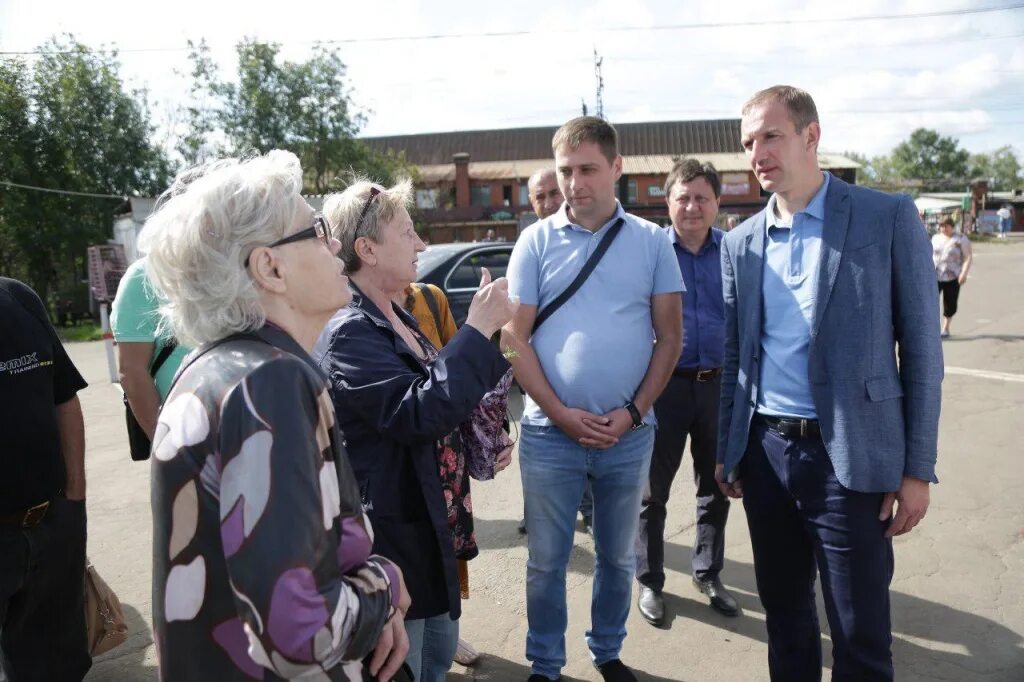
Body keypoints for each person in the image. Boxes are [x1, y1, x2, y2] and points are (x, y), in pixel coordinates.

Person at [143, 150, 410, 681]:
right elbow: (304, 633)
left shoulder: (207, 371)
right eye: (315, 229)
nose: (335, 242)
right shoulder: (272, 382)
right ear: (270, 267)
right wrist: (385, 585)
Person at [717, 85, 943, 681]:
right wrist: (728, 449)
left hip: (851, 459)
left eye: (771, 136)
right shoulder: (740, 242)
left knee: (860, 634)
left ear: (810, 135)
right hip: (766, 457)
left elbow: (922, 352)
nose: (757, 154)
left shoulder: (884, 217)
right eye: (748, 143)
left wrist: (917, 470)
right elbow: (737, 356)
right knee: (787, 624)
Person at [503, 116, 683, 682]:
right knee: (546, 563)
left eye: (587, 169)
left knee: (616, 559)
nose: (575, 182)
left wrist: (632, 413)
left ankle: (607, 652)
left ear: (616, 169)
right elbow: (513, 339)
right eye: (565, 171)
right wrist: (559, 412)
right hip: (548, 434)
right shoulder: (533, 241)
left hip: (628, 438)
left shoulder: (653, 242)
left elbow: (670, 337)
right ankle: (546, 664)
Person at [316, 179, 517, 682]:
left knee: (437, 652)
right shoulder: (347, 331)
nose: (422, 245)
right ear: (366, 249)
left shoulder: (396, 312)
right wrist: (476, 330)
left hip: (432, 526)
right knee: (409, 666)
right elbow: (415, 413)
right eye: (407, 233)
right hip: (396, 536)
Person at [635, 158, 737, 628]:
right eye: (683, 197)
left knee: (715, 486)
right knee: (652, 492)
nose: (692, 207)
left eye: (702, 197)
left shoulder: (737, 253)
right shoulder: (650, 252)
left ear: (717, 203)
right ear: (668, 202)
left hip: (719, 388)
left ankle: (708, 572)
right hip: (663, 388)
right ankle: (651, 582)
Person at [0, 277, 90, 681]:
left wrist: (75, 497)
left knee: (57, 666)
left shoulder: (17, 297)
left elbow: (64, 397)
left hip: (51, 523)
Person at [518, 167, 594, 537]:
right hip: (539, 390)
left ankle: (591, 510)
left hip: (587, 391)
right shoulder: (528, 246)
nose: (548, 203)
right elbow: (512, 336)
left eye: (553, 193)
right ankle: (539, 510)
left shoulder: (592, 242)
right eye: (540, 197)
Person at [111, 258, 190, 439]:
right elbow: (131, 371)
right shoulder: (145, 275)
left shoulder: (243, 263)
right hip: (184, 432)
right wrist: (166, 445)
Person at [931, 217, 973, 338]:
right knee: (930, 302)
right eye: (941, 226)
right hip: (934, 275)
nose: (943, 228)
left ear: (952, 226)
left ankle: (945, 328)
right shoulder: (935, 238)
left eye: (946, 226)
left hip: (953, 276)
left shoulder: (960, 239)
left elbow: (967, 257)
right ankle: (931, 328)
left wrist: (964, 273)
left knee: (950, 303)